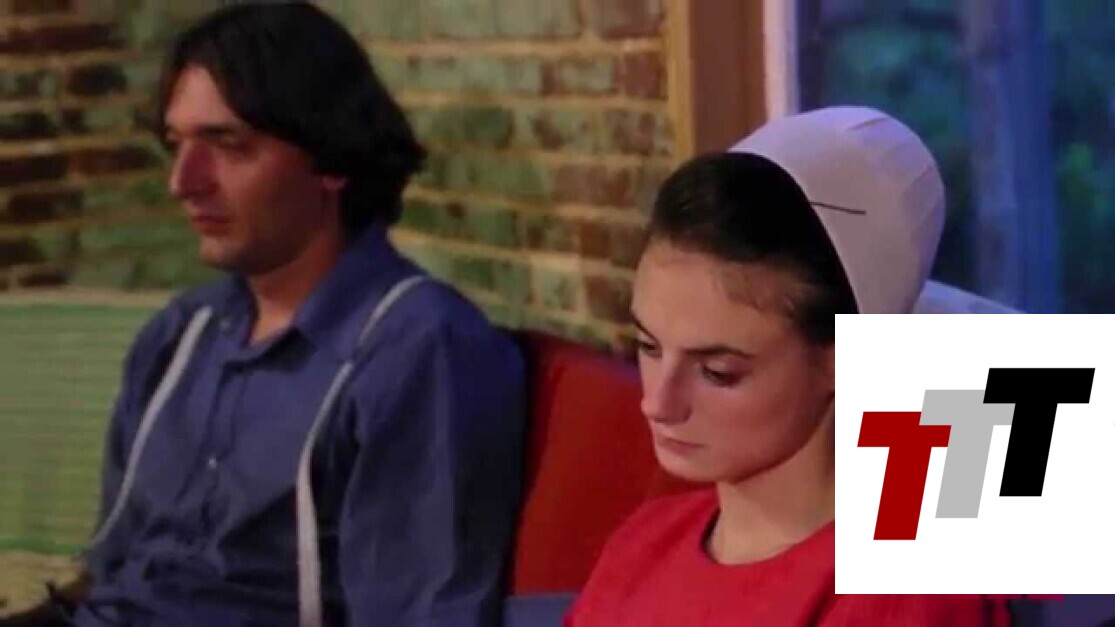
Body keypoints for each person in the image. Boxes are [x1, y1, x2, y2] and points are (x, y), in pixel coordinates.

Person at [2, 3, 525, 626]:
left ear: (330, 159)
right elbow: (114, 572)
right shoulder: (181, 335)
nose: (183, 182)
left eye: (227, 146)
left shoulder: (418, 348)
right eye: (176, 145)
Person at [563, 106, 1012, 625]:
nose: (657, 404)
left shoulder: (897, 593)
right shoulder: (645, 540)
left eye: (718, 372)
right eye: (648, 347)